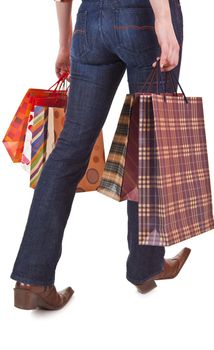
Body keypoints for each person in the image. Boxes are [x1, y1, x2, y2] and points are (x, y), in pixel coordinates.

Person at [11, 0, 191, 311]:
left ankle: (32, 278)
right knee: (148, 143)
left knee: (69, 148)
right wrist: (163, 18)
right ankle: (145, 266)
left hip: (90, 23)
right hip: (142, 17)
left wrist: (65, 41)